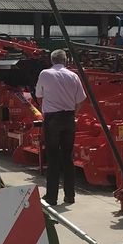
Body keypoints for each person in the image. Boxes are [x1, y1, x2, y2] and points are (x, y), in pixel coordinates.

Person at [34, 49, 86, 206]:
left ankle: (51, 197)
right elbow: (81, 99)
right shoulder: (74, 76)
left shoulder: (45, 74)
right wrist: (73, 114)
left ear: (52, 60)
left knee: (53, 157)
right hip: (69, 118)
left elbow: (38, 95)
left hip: (52, 119)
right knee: (68, 158)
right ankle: (70, 196)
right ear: (65, 60)